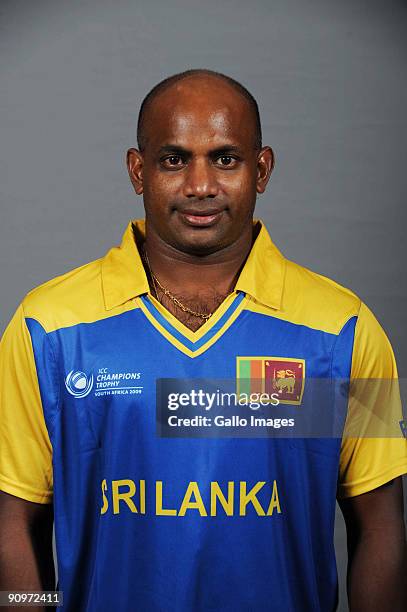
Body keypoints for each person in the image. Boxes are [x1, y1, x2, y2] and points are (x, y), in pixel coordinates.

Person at [0, 68, 406, 612]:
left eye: (225, 158)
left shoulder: (344, 330)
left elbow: (380, 524)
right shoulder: (47, 328)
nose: (200, 186)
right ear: (137, 171)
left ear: (261, 170)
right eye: (174, 160)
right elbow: (13, 525)